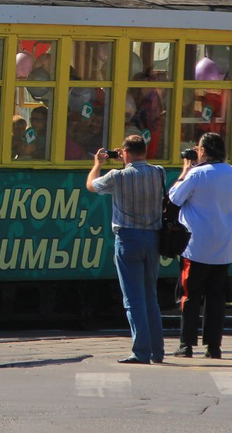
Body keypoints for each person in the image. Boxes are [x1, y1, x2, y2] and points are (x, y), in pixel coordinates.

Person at [86, 134, 165, 365]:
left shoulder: (117, 177)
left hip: (128, 239)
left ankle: (140, 351)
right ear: (145, 151)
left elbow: (91, 185)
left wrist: (97, 164)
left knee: (133, 298)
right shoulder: (158, 172)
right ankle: (157, 351)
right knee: (151, 296)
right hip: (153, 239)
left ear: (125, 153)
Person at [168, 132, 232, 359]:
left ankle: (186, 344)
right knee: (216, 299)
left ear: (204, 151)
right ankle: (213, 346)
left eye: (198, 148)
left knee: (190, 297)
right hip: (224, 244)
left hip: (196, 245)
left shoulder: (197, 174)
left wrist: (186, 170)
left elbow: (173, 198)